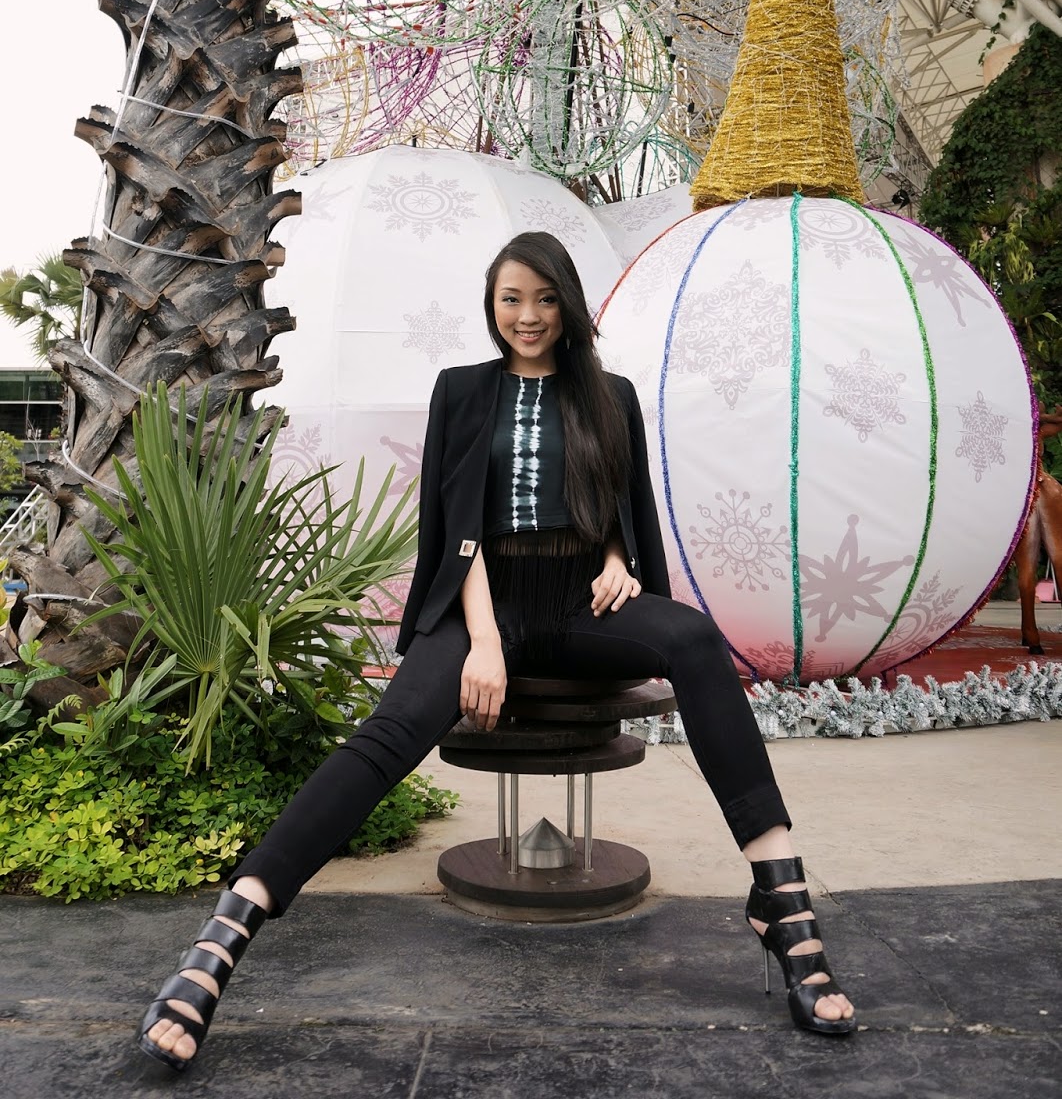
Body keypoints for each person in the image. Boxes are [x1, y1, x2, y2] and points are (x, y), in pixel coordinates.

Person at [139, 230, 855, 1071]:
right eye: (512, 298)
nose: (528, 315)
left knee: (695, 639)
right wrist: (483, 641)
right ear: (491, 304)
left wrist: (618, 562)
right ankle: (226, 933)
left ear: (569, 305)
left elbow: (619, 500)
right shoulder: (463, 390)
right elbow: (458, 523)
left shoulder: (611, 394)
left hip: (581, 602)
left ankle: (780, 897)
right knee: (388, 733)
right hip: (485, 601)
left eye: (545, 298)